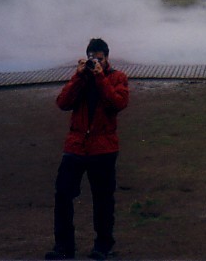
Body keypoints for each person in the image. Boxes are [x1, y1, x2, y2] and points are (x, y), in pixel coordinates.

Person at [46, 38, 130, 261]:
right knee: (63, 195)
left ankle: (103, 246)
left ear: (107, 58)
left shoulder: (117, 77)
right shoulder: (81, 79)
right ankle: (64, 247)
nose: (95, 63)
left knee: (102, 199)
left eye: (99, 59)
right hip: (76, 146)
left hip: (103, 148)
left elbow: (116, 103)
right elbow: (62, 103)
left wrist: (100, 77)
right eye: (92, 59)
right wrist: (78, 76)